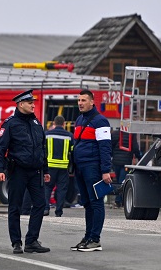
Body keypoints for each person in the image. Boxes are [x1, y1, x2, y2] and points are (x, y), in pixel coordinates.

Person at [0, 90, 51, 254]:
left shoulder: (36, 123)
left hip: (36, 172)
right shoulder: (10, 124)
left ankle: (32, 241)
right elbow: (0, 149)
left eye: (33, 102)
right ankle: (16, 243)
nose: (33, 105)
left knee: (40, 204)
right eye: (30, 102)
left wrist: (45, 169)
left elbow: (42, 148)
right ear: (20, 104)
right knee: (15, 207)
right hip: (18, 171)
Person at [71, 89, 113, 252]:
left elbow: (105, 147)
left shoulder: (100, 121)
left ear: (92, 102)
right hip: (80, 167)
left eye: (83, 100)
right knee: (87, 203)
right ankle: (88, 236)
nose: (80, 103)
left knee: (96, 203)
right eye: (79, 100)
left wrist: (105, 170)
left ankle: (95, 239)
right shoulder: (80, 119)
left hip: (93, 168)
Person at [44, 115, 73, 217]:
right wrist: (72, 167)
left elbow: (43, 150)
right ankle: (59, 211)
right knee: (61, 189)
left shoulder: (47, 134)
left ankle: (46, 209)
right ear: (64, 124)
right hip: (63, 167)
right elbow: (73, 152)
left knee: (47, 187)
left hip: (50, 167)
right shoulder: (69, 136)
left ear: (54, 124)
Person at [111, 128, 142, 208]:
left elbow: (110, 147)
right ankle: (119, 201)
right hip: (126, 162)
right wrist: (140, 158)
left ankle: (118, 200)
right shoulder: (131, 135)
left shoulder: (114, 134)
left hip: (116, 162)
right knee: (123, 181)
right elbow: (135, 148)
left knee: (118, 180)